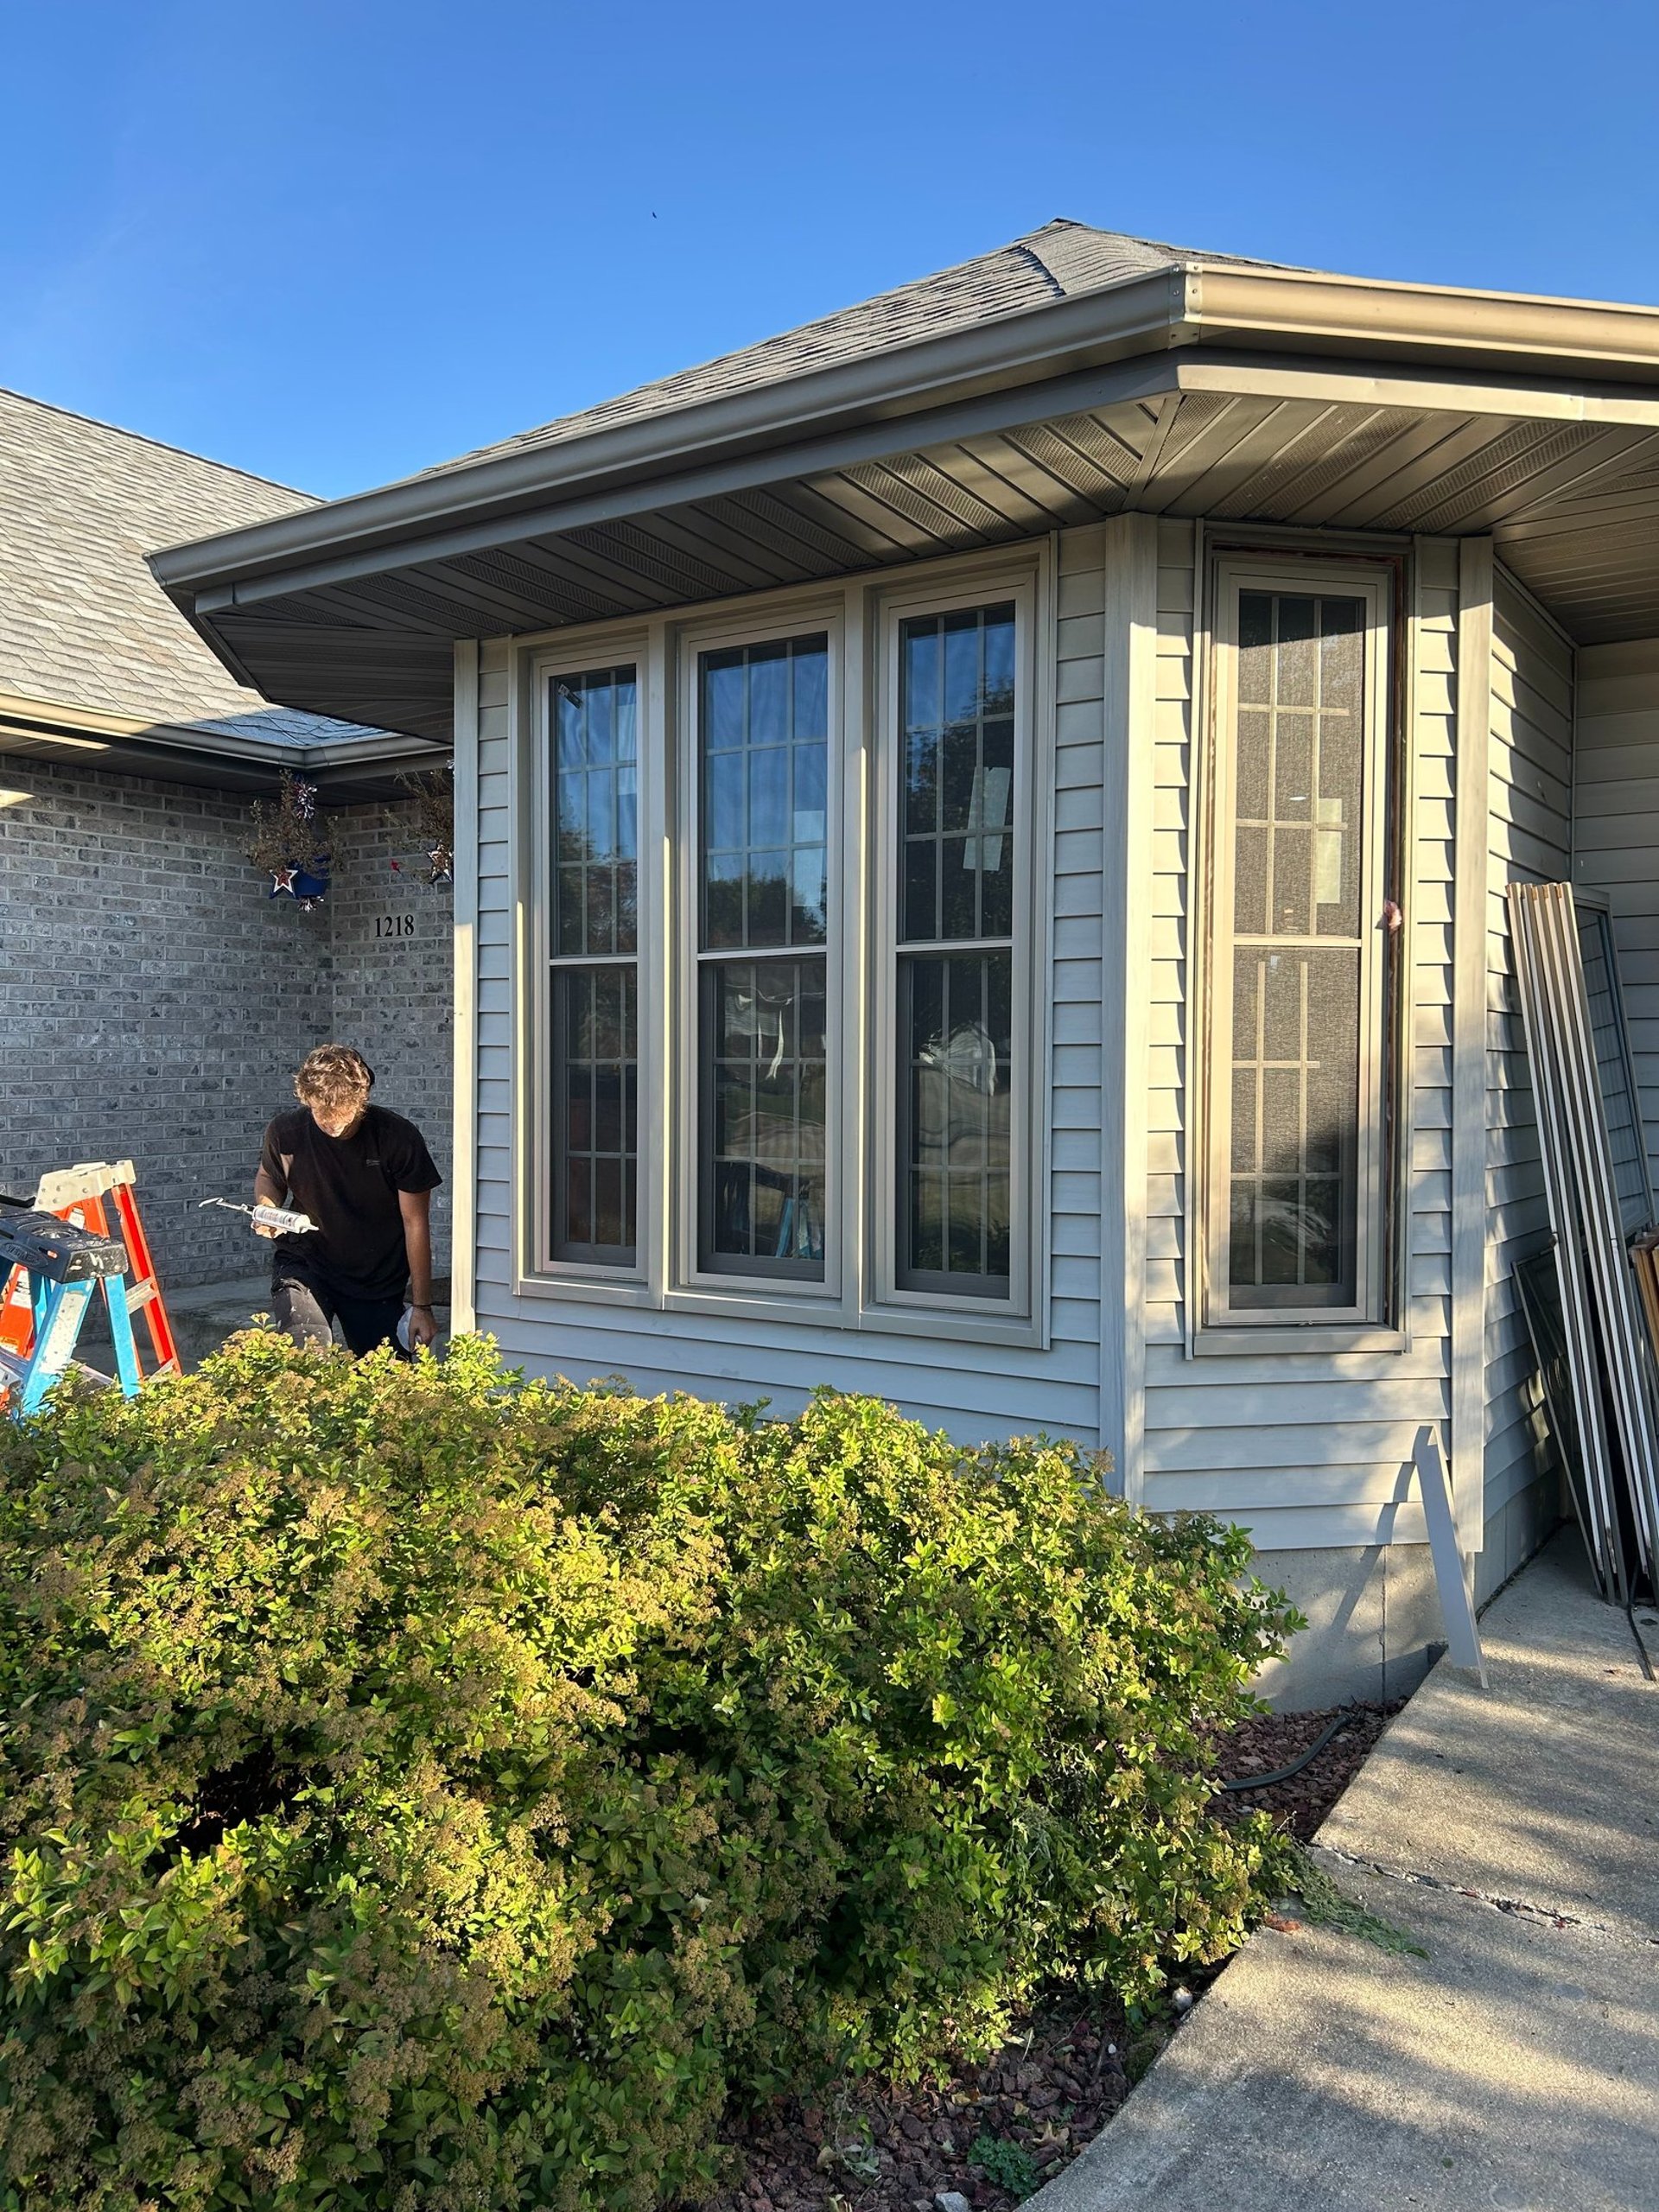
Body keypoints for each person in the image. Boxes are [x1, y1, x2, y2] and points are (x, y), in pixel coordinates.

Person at [254, 1045, 442, 1356]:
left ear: (361, 1098)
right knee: (305, 1353)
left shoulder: (397, 1138)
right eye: (319, 1113)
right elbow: (269, 1177)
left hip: (376, 1276)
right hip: (306, 1262)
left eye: (340, 1113)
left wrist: (422, 1306)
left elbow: (415, 1223)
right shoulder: (286, 1131)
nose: (330, 1123)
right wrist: (267, 1208)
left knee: (383, 1380)